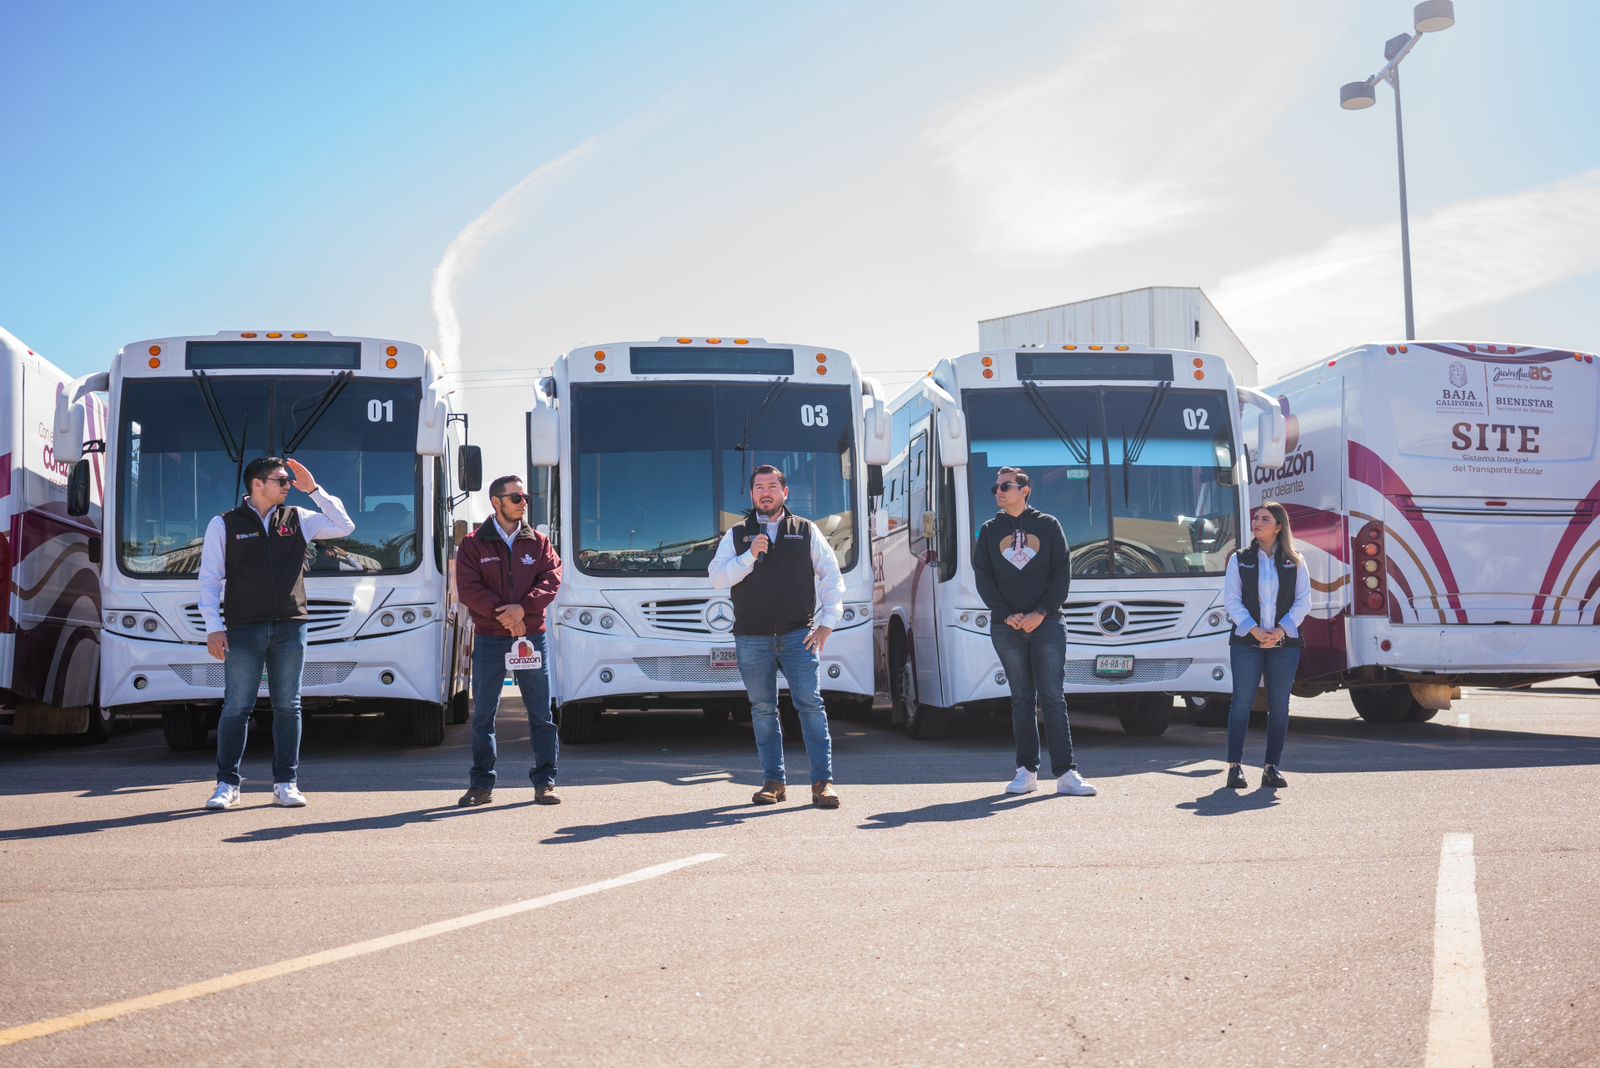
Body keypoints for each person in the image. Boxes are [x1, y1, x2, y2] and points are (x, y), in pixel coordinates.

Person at [201, 457, 355, 810]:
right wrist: (214, 628)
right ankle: (227, 785)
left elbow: (344, 525)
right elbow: (209, 580)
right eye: (281, 480)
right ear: (257, 483)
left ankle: (286, 783)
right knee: (236, 708)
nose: (288, 485)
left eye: (288, 481)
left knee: (289, 706)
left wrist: (314, 489)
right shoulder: (223, 524)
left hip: (290, 625)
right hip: (243, 628)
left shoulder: (299, 517)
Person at [709, 465, 845, 808]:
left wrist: (828, 622)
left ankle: (822, 783)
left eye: (772, 486)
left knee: (810, 706)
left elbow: (831, 578)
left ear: (786, 493)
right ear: (752, 494)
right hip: (751, 637)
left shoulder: (806, 530)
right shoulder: (737, 535)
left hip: (799, 634)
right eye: (758, 487)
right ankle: (773, 782)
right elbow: (718, 578)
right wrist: (749, 556)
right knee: (763, 709)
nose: (765, 492)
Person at [973, 466, 1097, 798]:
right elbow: (983, 577)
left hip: (1049, 625)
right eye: (996, 487)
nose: (998, 491)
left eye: (1005, 486)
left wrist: (1041, 613)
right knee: (1021, 700)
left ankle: (1066, 773)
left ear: (1025, 490)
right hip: (1006, 628)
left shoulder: (1049, 525)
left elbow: (1062, 574)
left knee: (1053, 698)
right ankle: (1026, 772)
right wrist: (1007, 614)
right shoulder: (988, 532)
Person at [455, 475, 563, 807]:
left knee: (541, 714)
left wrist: (523, 609)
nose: (523, 502)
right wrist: (505, 614)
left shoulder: (540, 542)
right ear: (496, 501)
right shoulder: (473, 544)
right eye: (516, 497)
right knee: (484, 714)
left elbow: (552, 577)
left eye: (525, 497)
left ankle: (545, 781)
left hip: (532, 639)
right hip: (490, 639)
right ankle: (481, 784)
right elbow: (469, 588)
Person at [1222, 502, 1311, 789]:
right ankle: (1235, 767)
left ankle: (1271, 767)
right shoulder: (1239, 559)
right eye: (1255, 518)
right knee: (1241, 703)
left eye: (1264, 518)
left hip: (1285, 644)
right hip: (1246, 642)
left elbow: (1303, 602)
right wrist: (1256, 631)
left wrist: (1280, 631)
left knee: (1279, 706)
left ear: (1279, 526)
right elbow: (1232, 601)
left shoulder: (1295, 561)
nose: (1256, 522)